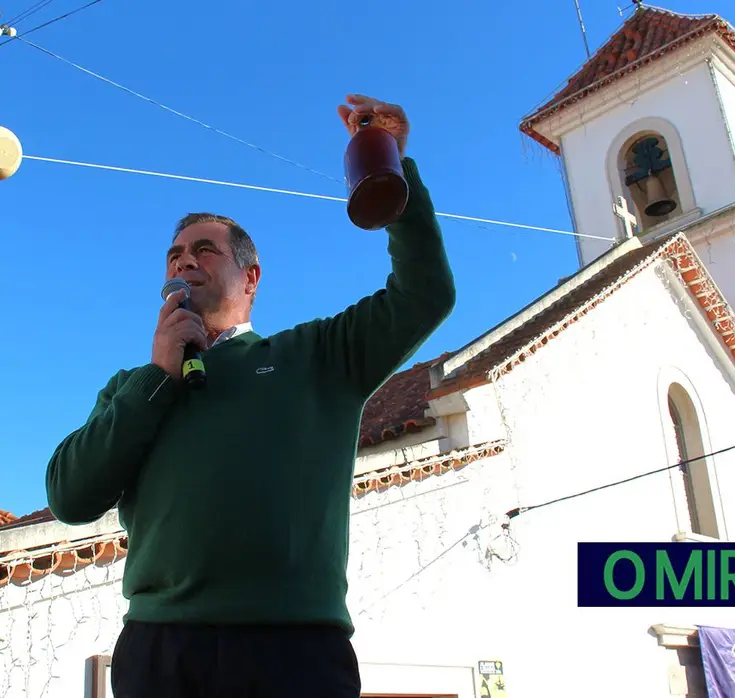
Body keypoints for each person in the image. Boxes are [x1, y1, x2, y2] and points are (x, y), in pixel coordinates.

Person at [45, 93, 456, 697]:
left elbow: (425, 294)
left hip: (294, 650)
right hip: (161, 650)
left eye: (204, 250)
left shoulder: (317, 355)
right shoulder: (132, 388)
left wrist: (391, 163)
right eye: (175, 255)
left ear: (251, 277)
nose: (185, 261)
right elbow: (69, 496)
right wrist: (158, 378)